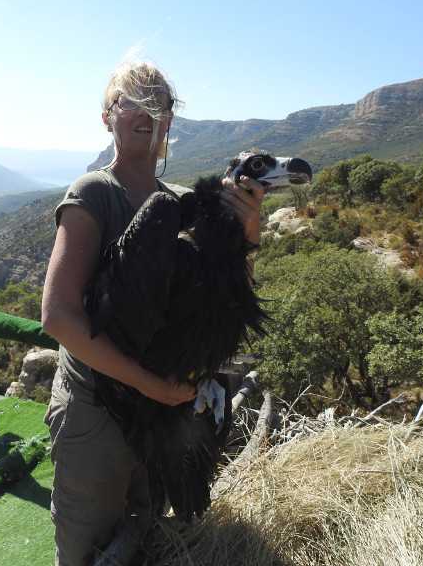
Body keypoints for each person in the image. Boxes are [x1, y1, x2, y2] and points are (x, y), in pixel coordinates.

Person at [41, 59, 265, 565]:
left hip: (164, 412)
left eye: (158, 101)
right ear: (107, 117)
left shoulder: (187, 202)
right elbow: (57, 316)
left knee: (148, 533)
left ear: (170, 117)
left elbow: (226, 303)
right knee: (87, 545)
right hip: (97, 408)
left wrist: (247, 235)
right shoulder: (95, 192)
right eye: (129, 101)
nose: (145, 111)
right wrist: (150, 384)